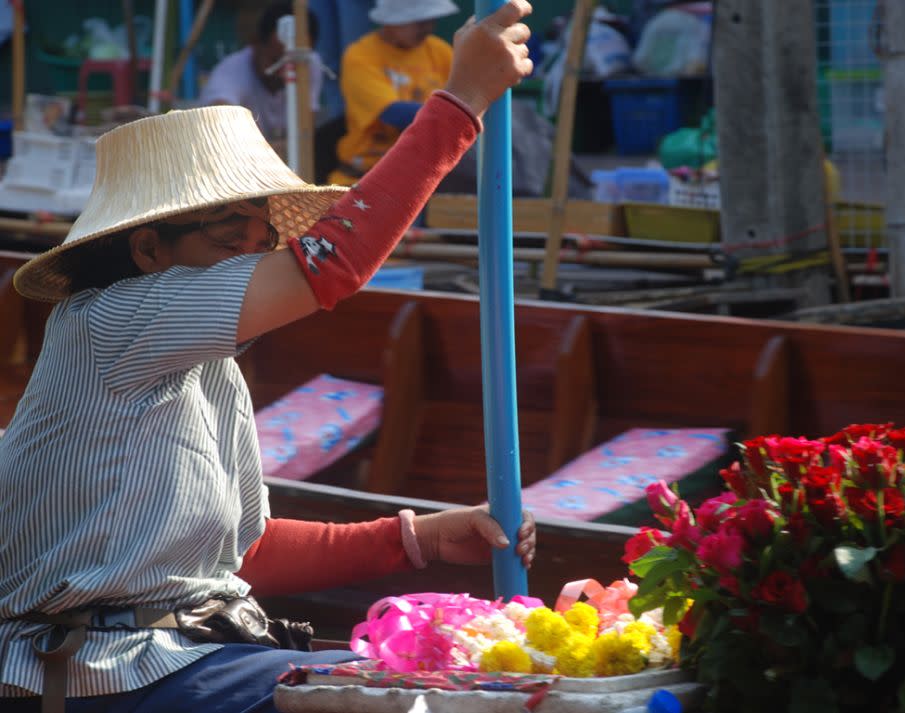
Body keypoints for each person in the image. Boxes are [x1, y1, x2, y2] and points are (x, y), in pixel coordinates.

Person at [0, 2, 534, 712]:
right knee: (408, 699)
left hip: (188, 650)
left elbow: (238, 554)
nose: (253, 259)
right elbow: (333, 262)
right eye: (230, 239)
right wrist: (461, 101)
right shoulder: (108, 319)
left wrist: (419, 538)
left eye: (260, 243)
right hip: (100, 667)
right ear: (149, 250)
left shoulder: (203, 359)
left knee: (454, 679)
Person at [328, 0, 459, 186]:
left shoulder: (440, 51)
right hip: (363, 178)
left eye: (431, 20)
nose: (427, 28)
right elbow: (392, 113)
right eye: (418, 21)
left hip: (423, 178)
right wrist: (453, 113)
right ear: (389, 22)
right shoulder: (360, 55)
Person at [199, 1, 324, 143]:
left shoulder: (309, 63)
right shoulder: (229, 74)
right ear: (255, 43)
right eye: (276, 61)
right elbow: (219, 118)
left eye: (294, 66)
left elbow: (306, 132)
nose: (285, 73)